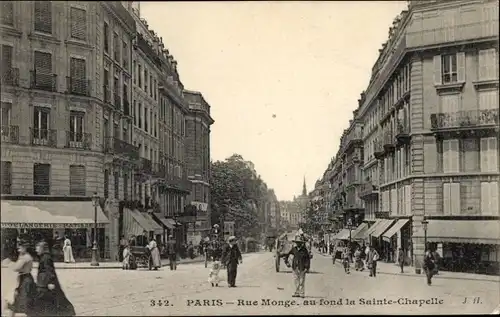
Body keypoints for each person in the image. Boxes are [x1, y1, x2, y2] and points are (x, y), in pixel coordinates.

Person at [32, 241, 75, 316]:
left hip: (47, 283)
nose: (36, 250)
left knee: (56, 299)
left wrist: (50, 282)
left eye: (38, 248)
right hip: (44, 283)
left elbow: (49, 270)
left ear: (42, 248)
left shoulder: (46, 258)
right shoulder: (44, 257)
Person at [6, 236, 37, 317]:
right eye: (18, 245)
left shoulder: (25, 257)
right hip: (25, 278)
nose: (18, 247)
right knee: (23, 302)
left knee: (23, 302)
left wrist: (9, 263)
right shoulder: (24, 256)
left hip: (25, 280)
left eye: (20, 245)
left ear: (25, 247)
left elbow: (16, 268)